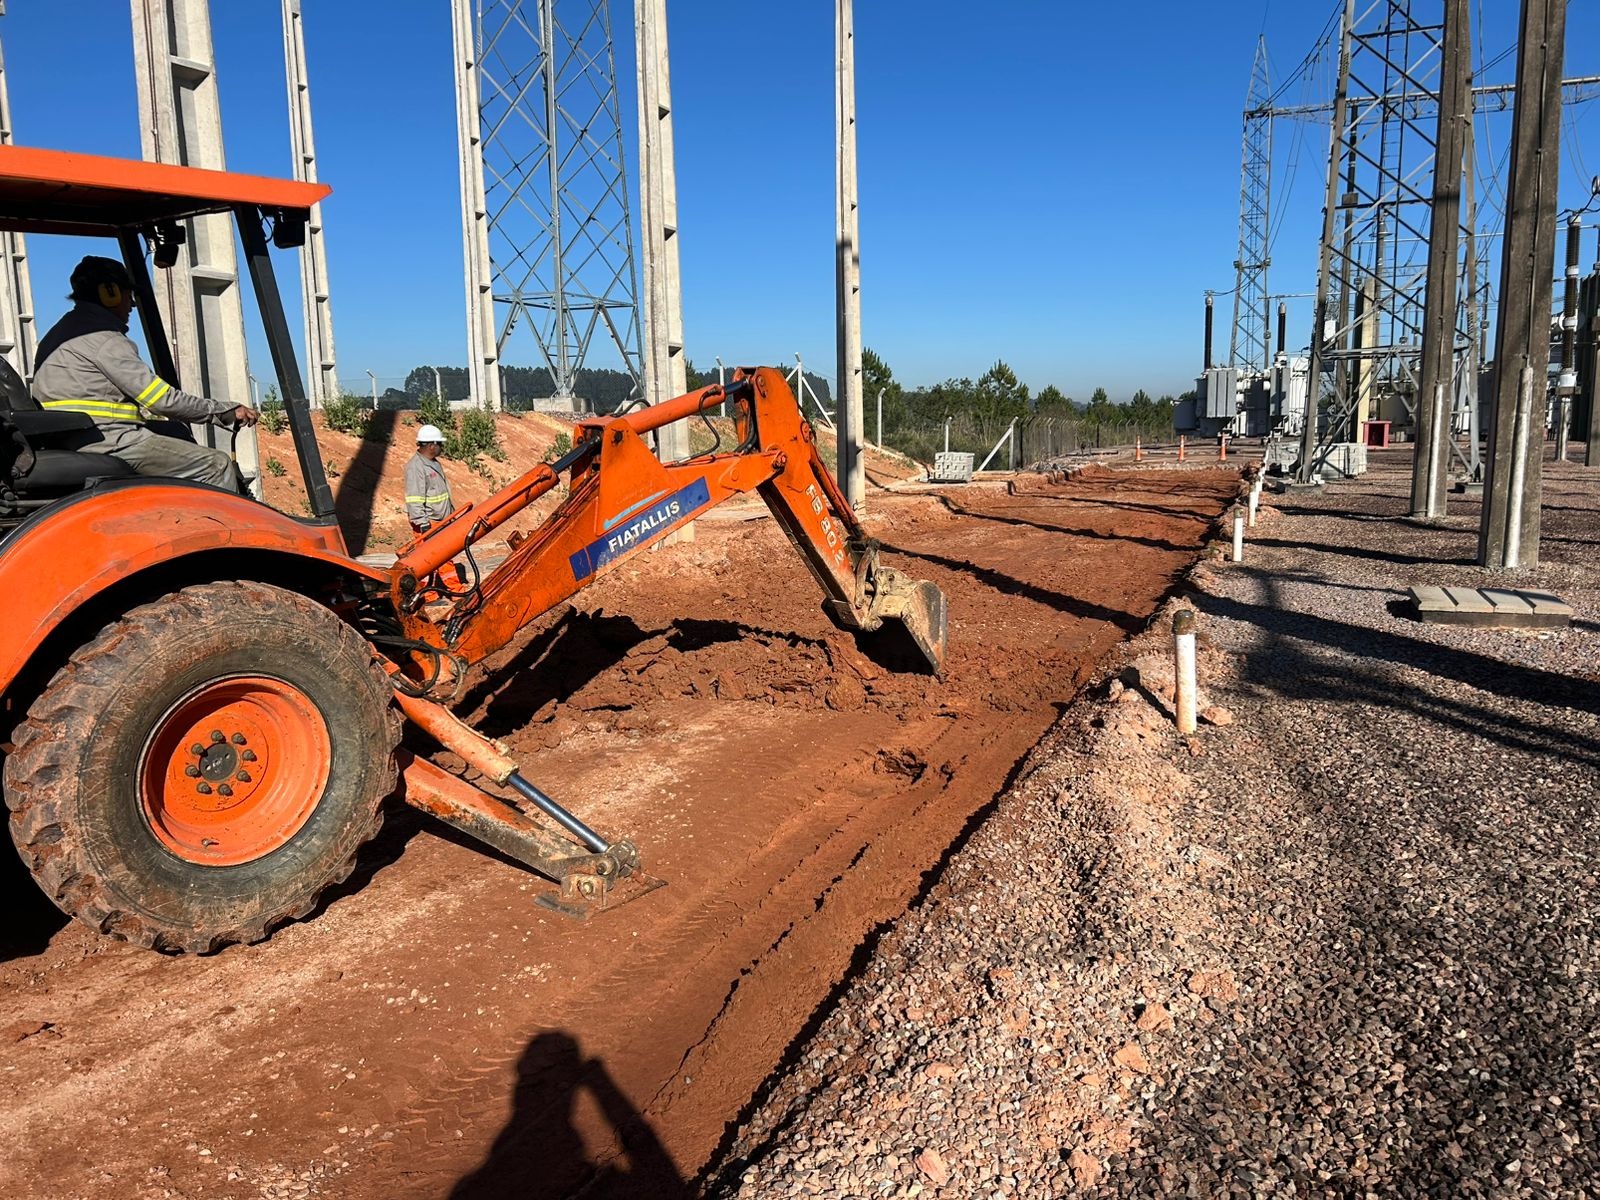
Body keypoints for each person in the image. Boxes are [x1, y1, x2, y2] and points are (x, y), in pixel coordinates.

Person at [30, 256, 257, 490]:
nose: (133, 305)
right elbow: (162, 401)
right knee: (216, 465)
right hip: (107, 440)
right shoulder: (104, 338)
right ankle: (221, 527)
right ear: (111, 292)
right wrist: (225, 411)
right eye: (129, 295)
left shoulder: (62, 332)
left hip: (79, 437)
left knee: (176, 431)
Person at [405, 423, 453, 534]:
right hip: (430, 524)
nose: (442, 447)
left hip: (441, 521)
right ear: (432, 445)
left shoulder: (433, 463)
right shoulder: (416, 467)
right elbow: (414, 499)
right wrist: (423, 524)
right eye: (440, 444)